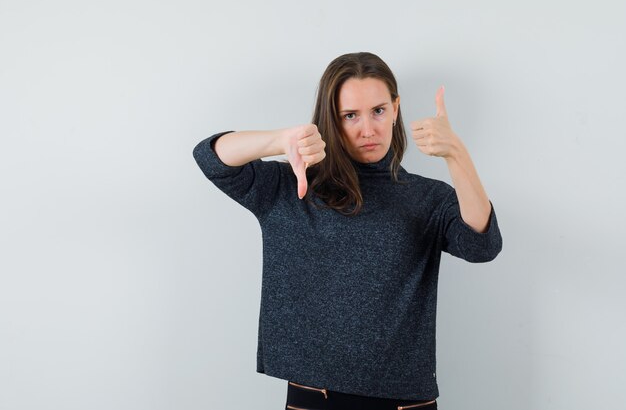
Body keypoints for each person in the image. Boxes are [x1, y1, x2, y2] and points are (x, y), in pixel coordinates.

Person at [193, 52, 502, 410]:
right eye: (350, 115)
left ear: (396, 109)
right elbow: (210, 157)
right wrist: (283, 140)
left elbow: (483, 245)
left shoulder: (429, 197)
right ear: (331, 120)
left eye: (379, 111)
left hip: (406, 402)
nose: (368, 129)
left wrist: (456, 154)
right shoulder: (291, 186)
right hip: (315, 398)